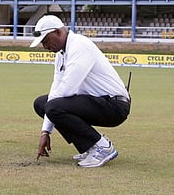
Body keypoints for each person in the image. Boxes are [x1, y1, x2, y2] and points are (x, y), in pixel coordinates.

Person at [31, 15, 131, 168]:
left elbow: (66, 90)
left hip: (115, 105)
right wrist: (45, 131)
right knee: (41, 104)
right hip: (96, 102)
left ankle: (103, 147)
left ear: (58, 32)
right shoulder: (61, 54)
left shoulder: (79, 45)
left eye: (46, 41)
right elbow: (55, 89)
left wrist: (49, 119)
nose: (45, 46)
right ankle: (90, 147)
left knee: (52, 106)